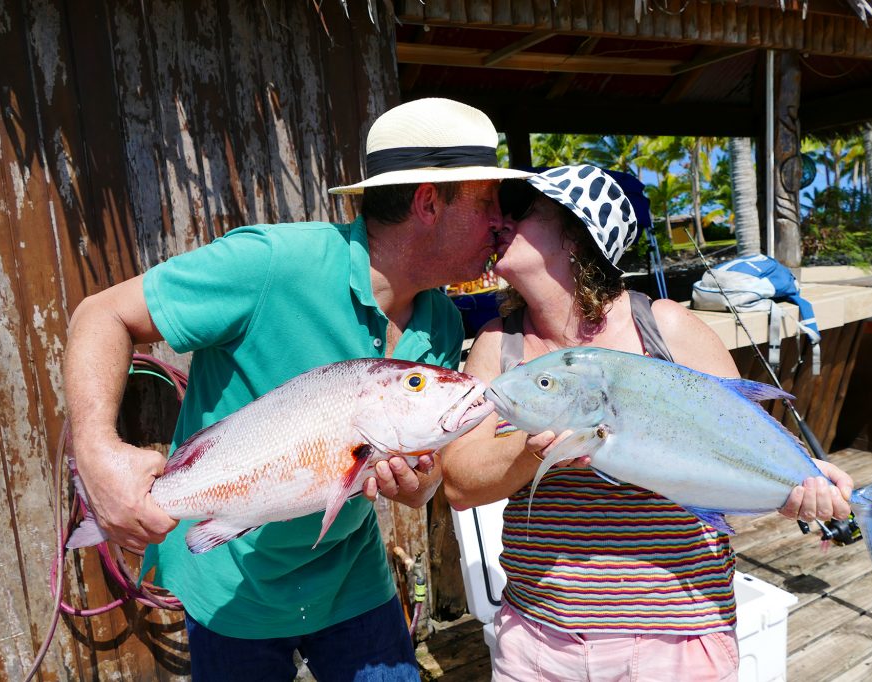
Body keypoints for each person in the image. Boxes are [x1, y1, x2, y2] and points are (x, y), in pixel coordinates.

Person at [63, 97, 532, 681]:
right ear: (428, 202)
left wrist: (420, 482)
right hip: (234, 590)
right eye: (488, 201)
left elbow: (424, 466)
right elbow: (99, 315)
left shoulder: (440, 319)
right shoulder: (270, 264)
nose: (501, 221)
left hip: (353, 583)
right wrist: (98, 451)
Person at [440, 165, 854, 682]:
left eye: (521, 209)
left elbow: (749, 438)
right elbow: (458, 482)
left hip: (675, 638)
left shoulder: (666, 327)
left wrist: (809, 477)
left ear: (576, 232)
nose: (499, 219)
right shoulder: (497, 347)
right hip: (540, 640)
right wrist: (536, 445)